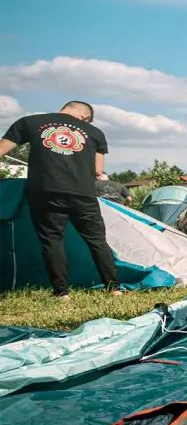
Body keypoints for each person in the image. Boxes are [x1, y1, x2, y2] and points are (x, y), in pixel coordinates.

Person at [0, 101, 122, 298]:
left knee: (52, 240)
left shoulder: (30, 122)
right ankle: (114, 288)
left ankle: (61, 292)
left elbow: (1, 150)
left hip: (44, 190)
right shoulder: (95, 132)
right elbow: (98, 170)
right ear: (85, 117)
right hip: (82, 192)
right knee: (97, 241)